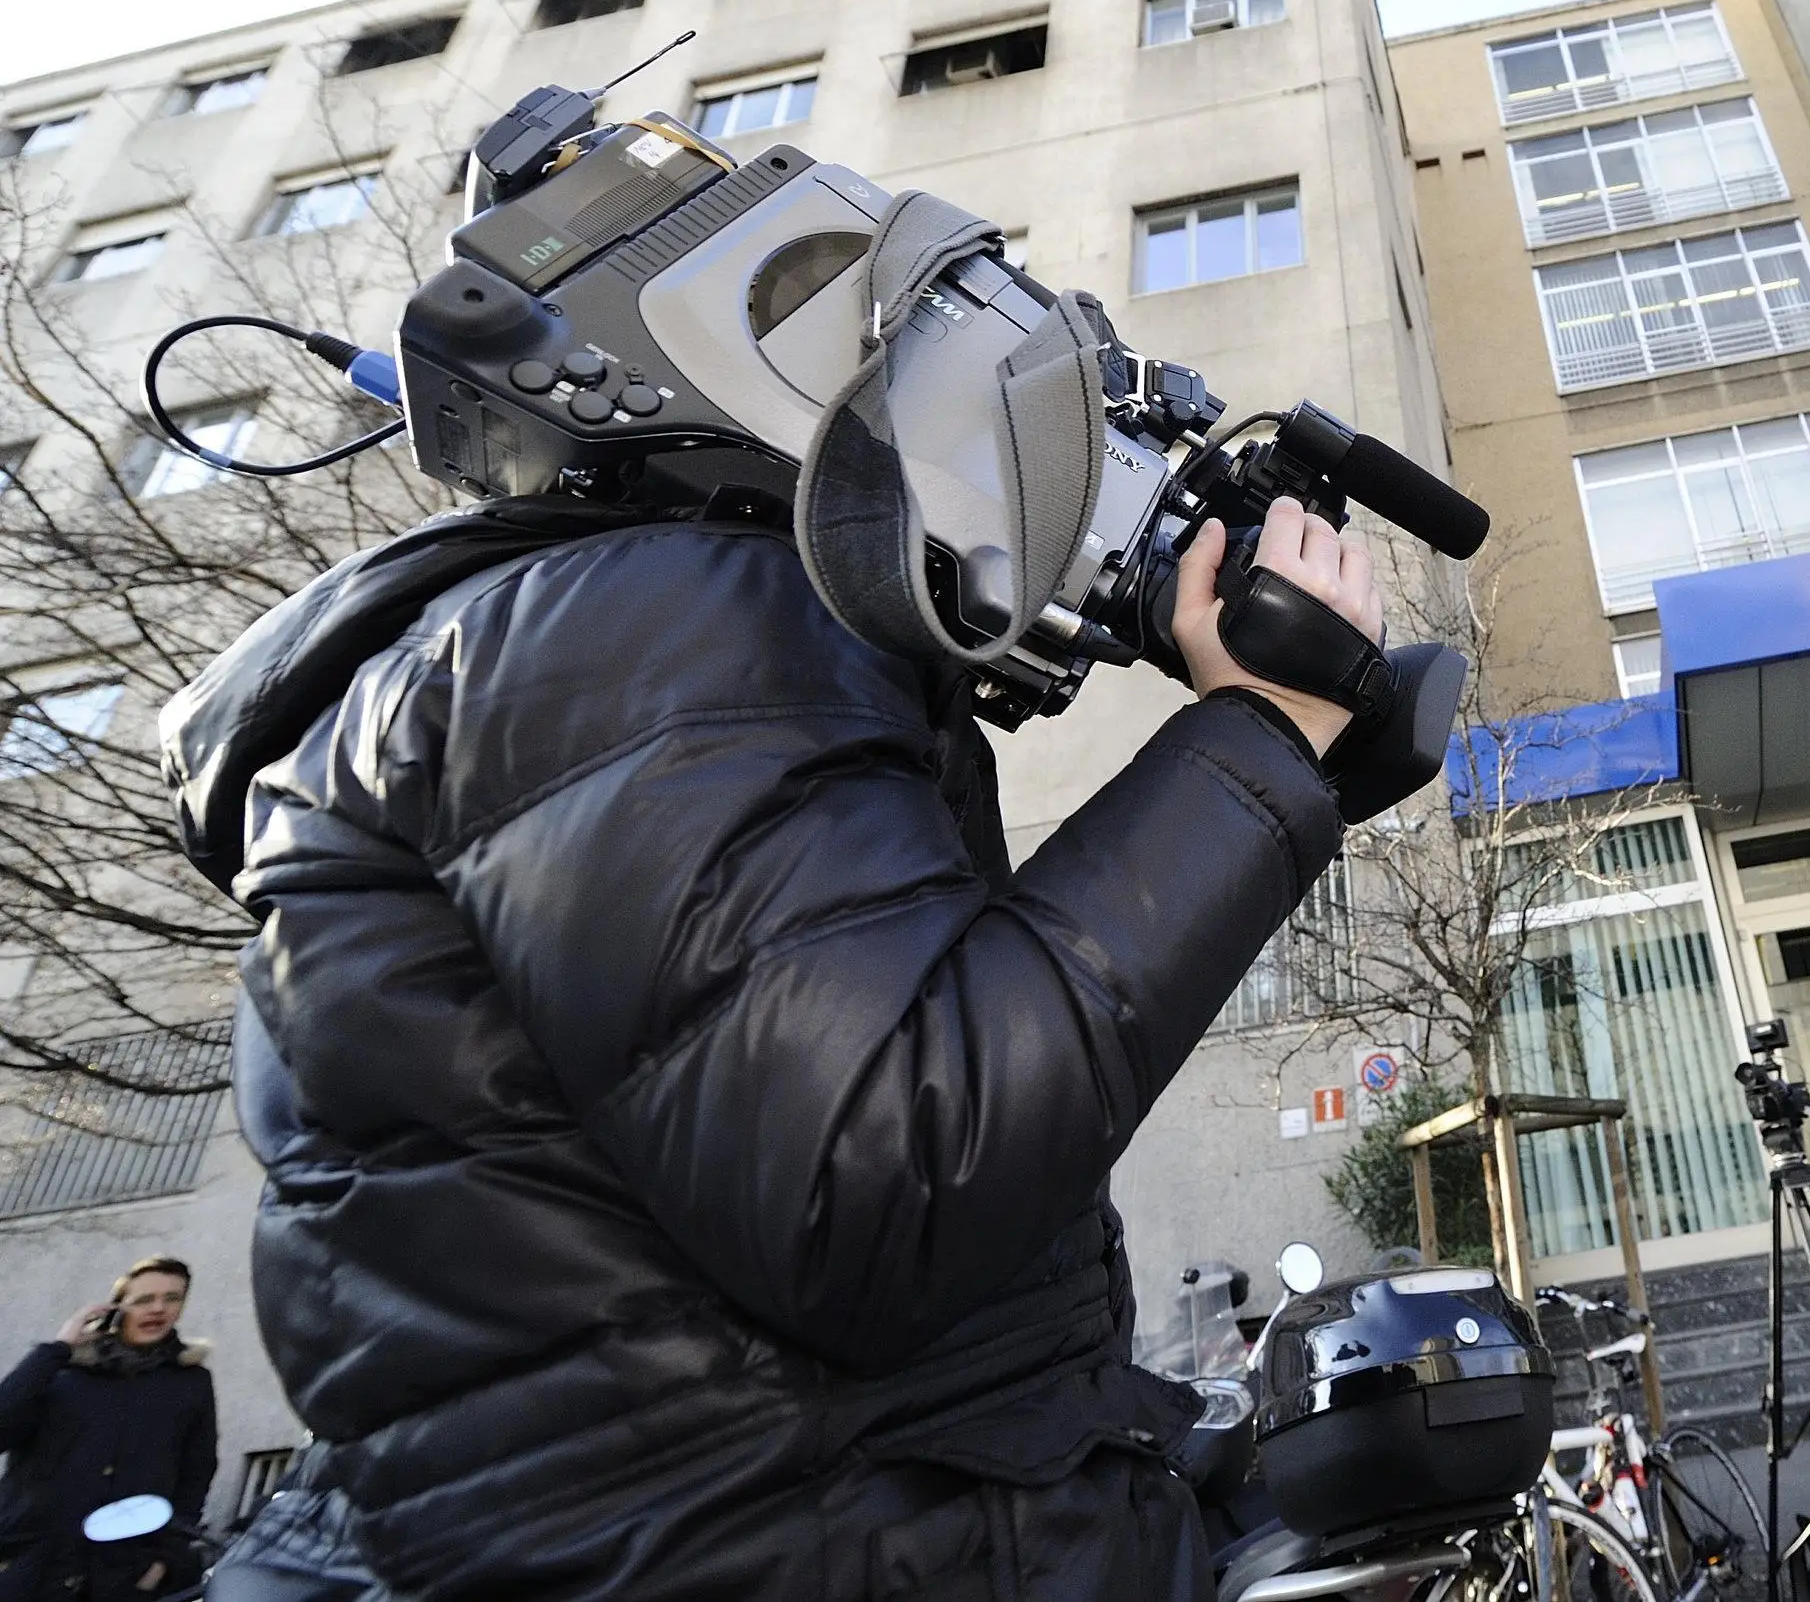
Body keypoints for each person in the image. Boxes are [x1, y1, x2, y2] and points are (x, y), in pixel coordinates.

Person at [159, 492, 1377, 1602]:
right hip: (824, 1539)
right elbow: (893, 1169)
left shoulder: (580, 630)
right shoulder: (655, 617)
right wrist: (1259, 734)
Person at [0, 1257, 217, 1602]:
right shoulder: (63, 1373)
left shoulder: (190, 1382)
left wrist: (162, 1564)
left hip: (122, 1575)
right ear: (116, 1308)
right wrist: (57, 1349)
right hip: (31, 1568)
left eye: (172, 1298)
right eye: (144, 1299)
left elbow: (196, 1473)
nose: (158, 1308)